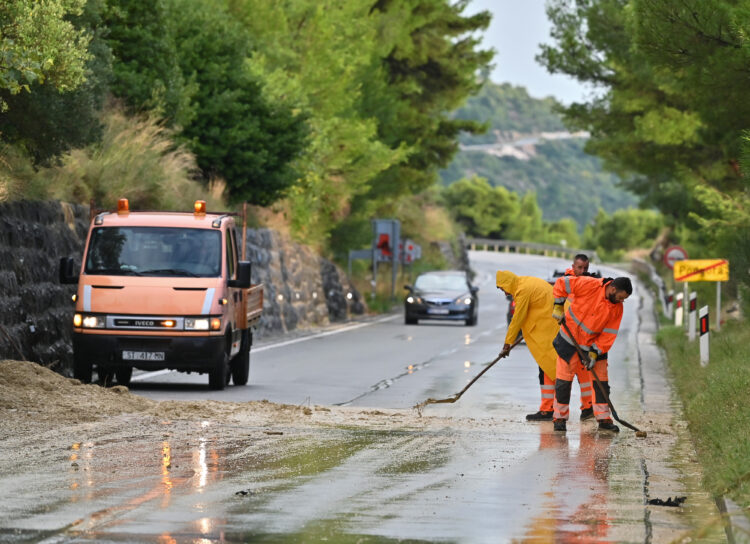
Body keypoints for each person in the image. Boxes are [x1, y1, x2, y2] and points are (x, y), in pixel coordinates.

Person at [551, 275, 632, 433]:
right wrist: (558, 305)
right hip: (570, 339)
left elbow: (609, 333)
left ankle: (603, 419)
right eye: (621, 297)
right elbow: (562, 283)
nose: (621, 301)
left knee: (601, 383)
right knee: (563, 381)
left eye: (624, 299)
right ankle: (559, 418)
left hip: (594, 346)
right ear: (613, 289)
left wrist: (595, 352)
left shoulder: (617, 308)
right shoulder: (590, 285)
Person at [496, 271, 559, 421]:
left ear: (508, 283)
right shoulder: (525, 283)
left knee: (552, 368)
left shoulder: (523, 290)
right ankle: (548, 409)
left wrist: (507, 343)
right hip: (549, 326)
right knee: (547, 369)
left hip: (551, 328)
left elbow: (518, 317)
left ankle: (550, 411)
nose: (505, 293)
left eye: (503, 289)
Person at [563, 254, 595, 421]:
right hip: (567, 337)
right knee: (564, 377)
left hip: (584, 339)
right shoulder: (566, 283)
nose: (582, 271)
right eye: (580, 268)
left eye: (585, 268)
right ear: (573, 266)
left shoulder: (591, 283)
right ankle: (559, 415)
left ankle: (588, 407)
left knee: (585, 377)